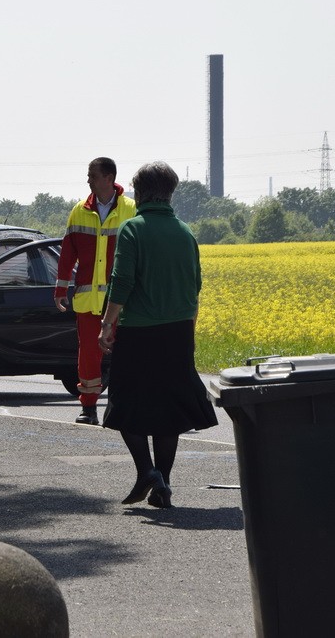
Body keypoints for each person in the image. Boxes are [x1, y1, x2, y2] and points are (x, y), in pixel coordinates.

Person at [98, 161, 217, 509]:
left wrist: (107, 324)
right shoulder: (184, 231)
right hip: (178, 332)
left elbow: (122, 281)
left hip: (139, 332)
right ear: (170, 192)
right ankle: (162, 485)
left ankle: (147, 471)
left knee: (124, 403)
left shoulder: (133, 229)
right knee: (169, 410)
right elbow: (195, 285)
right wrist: (188, 328)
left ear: (139, 191)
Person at [54, 157, 137, 425]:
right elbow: (67, 252)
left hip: (123, 301)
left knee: (126, 356)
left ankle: (122, 407)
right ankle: (88, 408)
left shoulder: (131, 209)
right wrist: (61, 287)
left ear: (109, 177)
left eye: (92, 175)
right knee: (89, 356)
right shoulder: (79, 210)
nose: (88, 179)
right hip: (89, 300)